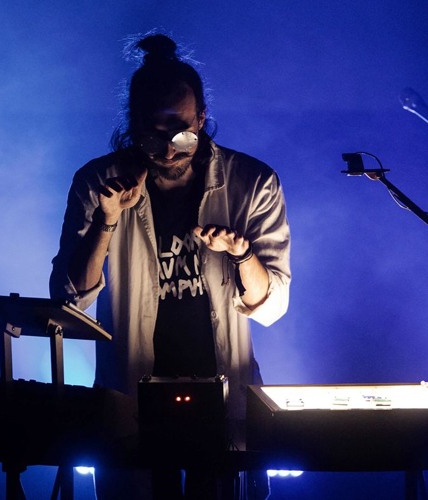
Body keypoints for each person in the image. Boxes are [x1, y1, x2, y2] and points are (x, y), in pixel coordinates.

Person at [50, 33, 291, 499]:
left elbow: (272, 305)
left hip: (224, 389)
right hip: (130, 391)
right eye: (151, 135)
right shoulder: (98, 181)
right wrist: (106, 221)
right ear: (133, 125)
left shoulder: (252, 182)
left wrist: (242, 255)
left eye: (182, 133)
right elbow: (70, 298)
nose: (167, 150)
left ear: (201, 118)